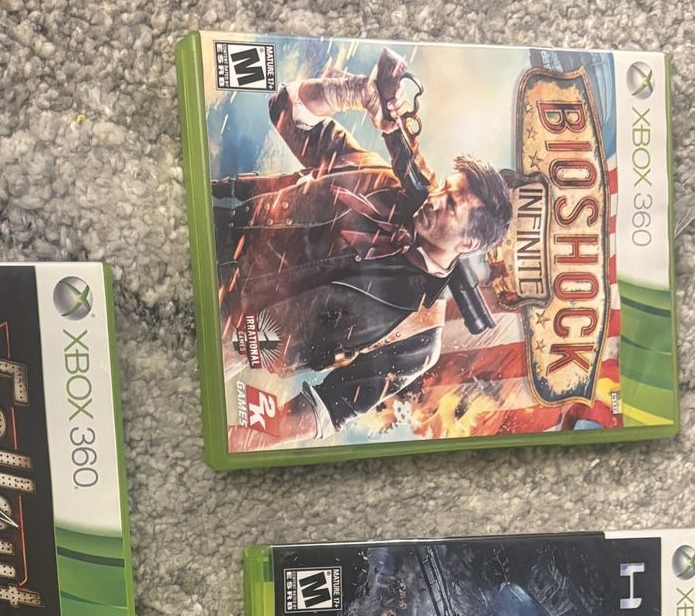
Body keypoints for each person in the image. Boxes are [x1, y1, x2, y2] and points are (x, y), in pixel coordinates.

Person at [213, 54, 514, 441]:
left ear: (468, 242)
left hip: (222, 339)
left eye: (452, 205)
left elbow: (326, 409)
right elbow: (288, 110)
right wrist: (353, 93)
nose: (436, 199)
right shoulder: (377, 176)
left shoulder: (418, 335)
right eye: (444, 188)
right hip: (206, 234)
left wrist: (247, 437)